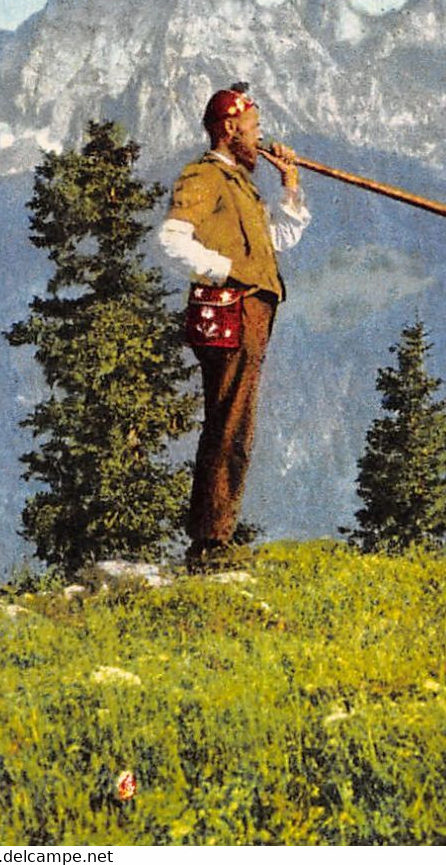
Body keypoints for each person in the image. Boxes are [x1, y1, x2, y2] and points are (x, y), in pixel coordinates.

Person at [158, 82, 310, 569]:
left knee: (234, 421)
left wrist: (290, 183)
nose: (260, 137)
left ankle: (214, 533)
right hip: (232, 312)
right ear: (229, 129)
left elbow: (275, 243)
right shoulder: (203, 177)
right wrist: (226, 272)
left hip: (251, 313)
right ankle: (210, 541)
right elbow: (172, 240)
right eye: (254, 128)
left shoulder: (242, 184)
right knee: (230, 424)